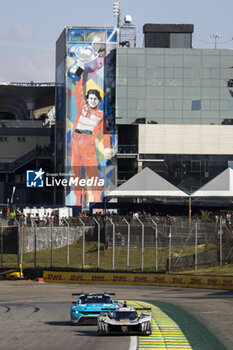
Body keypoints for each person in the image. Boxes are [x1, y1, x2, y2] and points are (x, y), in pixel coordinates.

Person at [69, 58, 112, 206]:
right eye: (91, 98)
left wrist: (107, 147)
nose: (92, 100)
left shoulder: (101, 115)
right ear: (87, 99)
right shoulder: (82, 105)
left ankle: (98, 206)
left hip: (88, 144)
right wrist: (80, 69)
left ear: (98, 101)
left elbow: (106, 132)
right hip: (75, 142)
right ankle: (77, 204)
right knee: (76, 175)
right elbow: (78, 87)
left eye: (95, 99)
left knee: (93, 176)